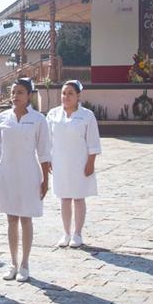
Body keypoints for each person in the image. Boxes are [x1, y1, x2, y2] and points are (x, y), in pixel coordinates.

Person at [0, 78, 52, 282]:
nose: (15, 96)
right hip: (7, 173)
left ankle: (25, 263)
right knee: (11, 218)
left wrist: (45, 179)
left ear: (29, 95)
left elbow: (43, 152)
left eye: (20, 92)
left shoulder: (38, 120)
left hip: (28, 173)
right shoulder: (2, 118)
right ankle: (13, 262)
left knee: (26, 217)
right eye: (13, 92)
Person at [46, 80, 100, 248]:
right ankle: (66, 233)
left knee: (78, 197)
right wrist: (47, 159)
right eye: (63, 93)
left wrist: (91, 162)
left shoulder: (87, 115)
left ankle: (77, 233)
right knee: (64, 197)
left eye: (70, 93)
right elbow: (47, 140)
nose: (66, 97)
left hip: (80, 161)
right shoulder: (53, 115)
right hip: (60, 162)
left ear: (78, 96)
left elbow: (93, 141)